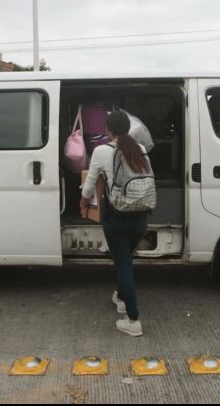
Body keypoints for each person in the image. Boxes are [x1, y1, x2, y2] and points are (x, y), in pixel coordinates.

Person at [80, 110, 149, 337]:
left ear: (107, 130)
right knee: (126, 260)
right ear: (128, 129)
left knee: (123, 266)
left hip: (117, 216)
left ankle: (133, 320)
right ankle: (121, 299)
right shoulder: (139, 148)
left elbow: (90, 185)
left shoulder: (101, 151)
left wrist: (82, 204)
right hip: (140, 215)